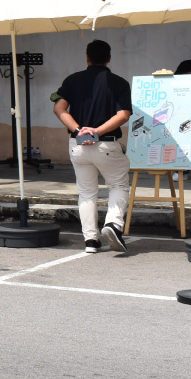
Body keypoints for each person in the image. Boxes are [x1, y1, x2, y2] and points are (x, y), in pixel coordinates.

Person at [53, 39, 132, 254]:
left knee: (87, 193)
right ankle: (113, 224)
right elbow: (123, 114)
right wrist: (97, 132)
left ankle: (90, 240)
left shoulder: (72, 80)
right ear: (109, 58)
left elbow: (59, 108)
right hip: (105, 144)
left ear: (87, 57)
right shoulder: (119, 83)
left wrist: (79, 130)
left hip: (77, 145)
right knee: (118, 186)